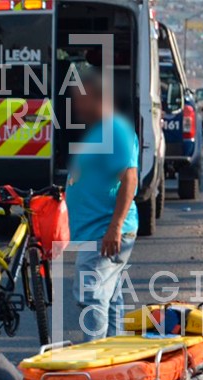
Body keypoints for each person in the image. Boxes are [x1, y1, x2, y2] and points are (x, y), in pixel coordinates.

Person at [65, 69, 139, 340]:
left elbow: (129, 177)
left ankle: (94, 366)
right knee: (110, 298)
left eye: (80, 98)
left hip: (104, 233)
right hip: (96, 232)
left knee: (92, 296)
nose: (75, 105)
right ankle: (113, 367)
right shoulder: (101, 131)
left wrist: (115, 228)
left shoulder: (115, 130)